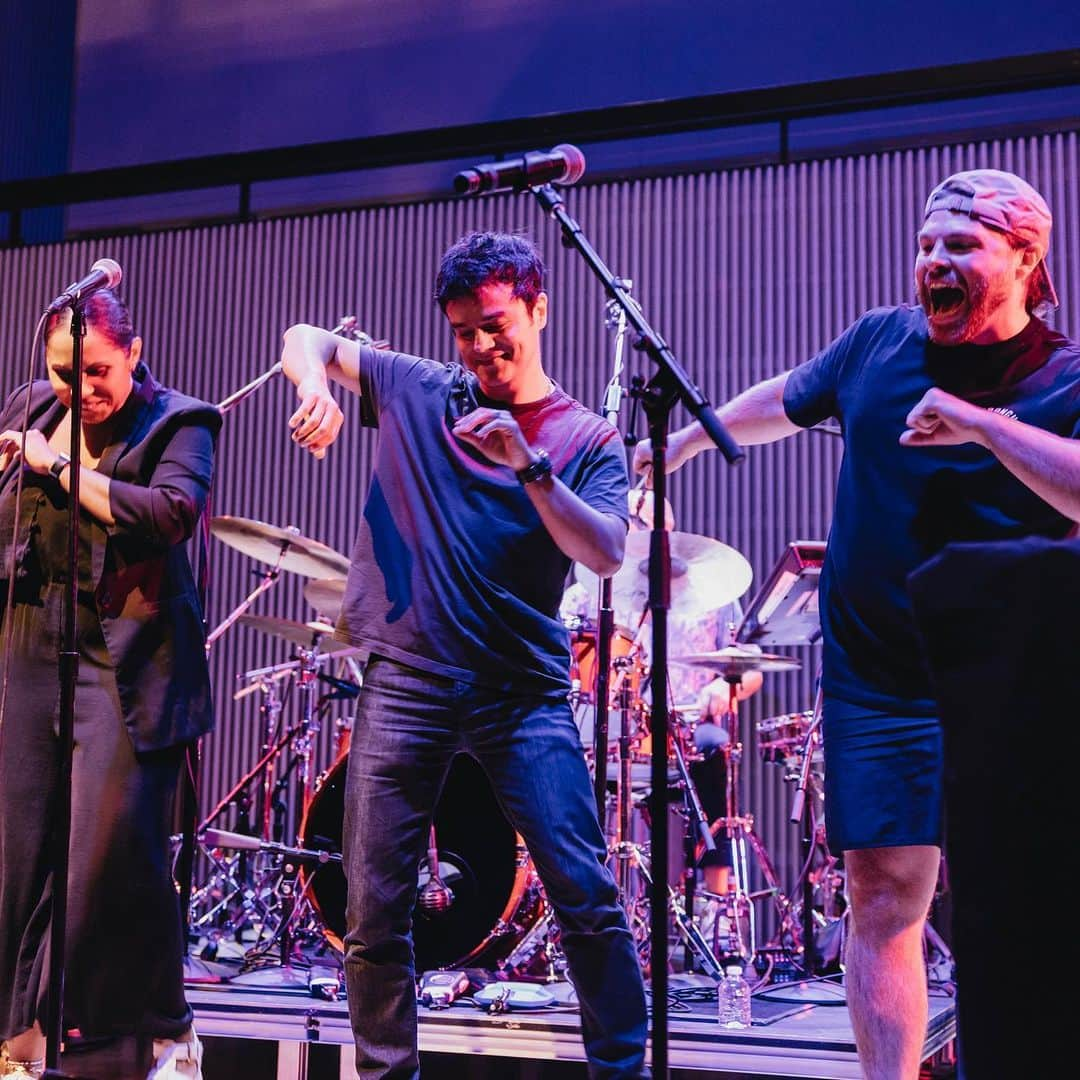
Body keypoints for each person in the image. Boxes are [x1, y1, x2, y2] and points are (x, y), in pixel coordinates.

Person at [633, 169, 1080, 1079]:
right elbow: (788, 397)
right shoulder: (879, 340)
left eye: (960, 245)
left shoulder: (1063, 376)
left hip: (1016, 690)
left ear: (1027, 256)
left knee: (1026, 909)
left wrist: (982, 424)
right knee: (881, 899)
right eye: (925, 244)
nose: (933, 262)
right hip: (880, 679)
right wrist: (681, 441)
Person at [279, 231, 648, 1079]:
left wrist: (529, 466)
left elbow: (603, 552)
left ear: (537, 310)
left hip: (520, 693)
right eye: (463, 330)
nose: (480, 347)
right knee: (374, 913)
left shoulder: (586, 439)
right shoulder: (418, 388)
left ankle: (622, 1071)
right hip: (406, 679)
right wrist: (313, 387)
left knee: (585, 896)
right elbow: (306, 339)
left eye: (495, 324)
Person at [0, 289, 219, 1080]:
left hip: (121, 663)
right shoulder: (34, 406)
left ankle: (149, 1032)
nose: (80, 391)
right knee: (19, 851)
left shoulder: (180, 422)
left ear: (131, 352)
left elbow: (167, 514)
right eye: (65, 374)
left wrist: (55, 466)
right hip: (32, 648)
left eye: (96, 372)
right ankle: (21, 1032)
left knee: (106, 859)